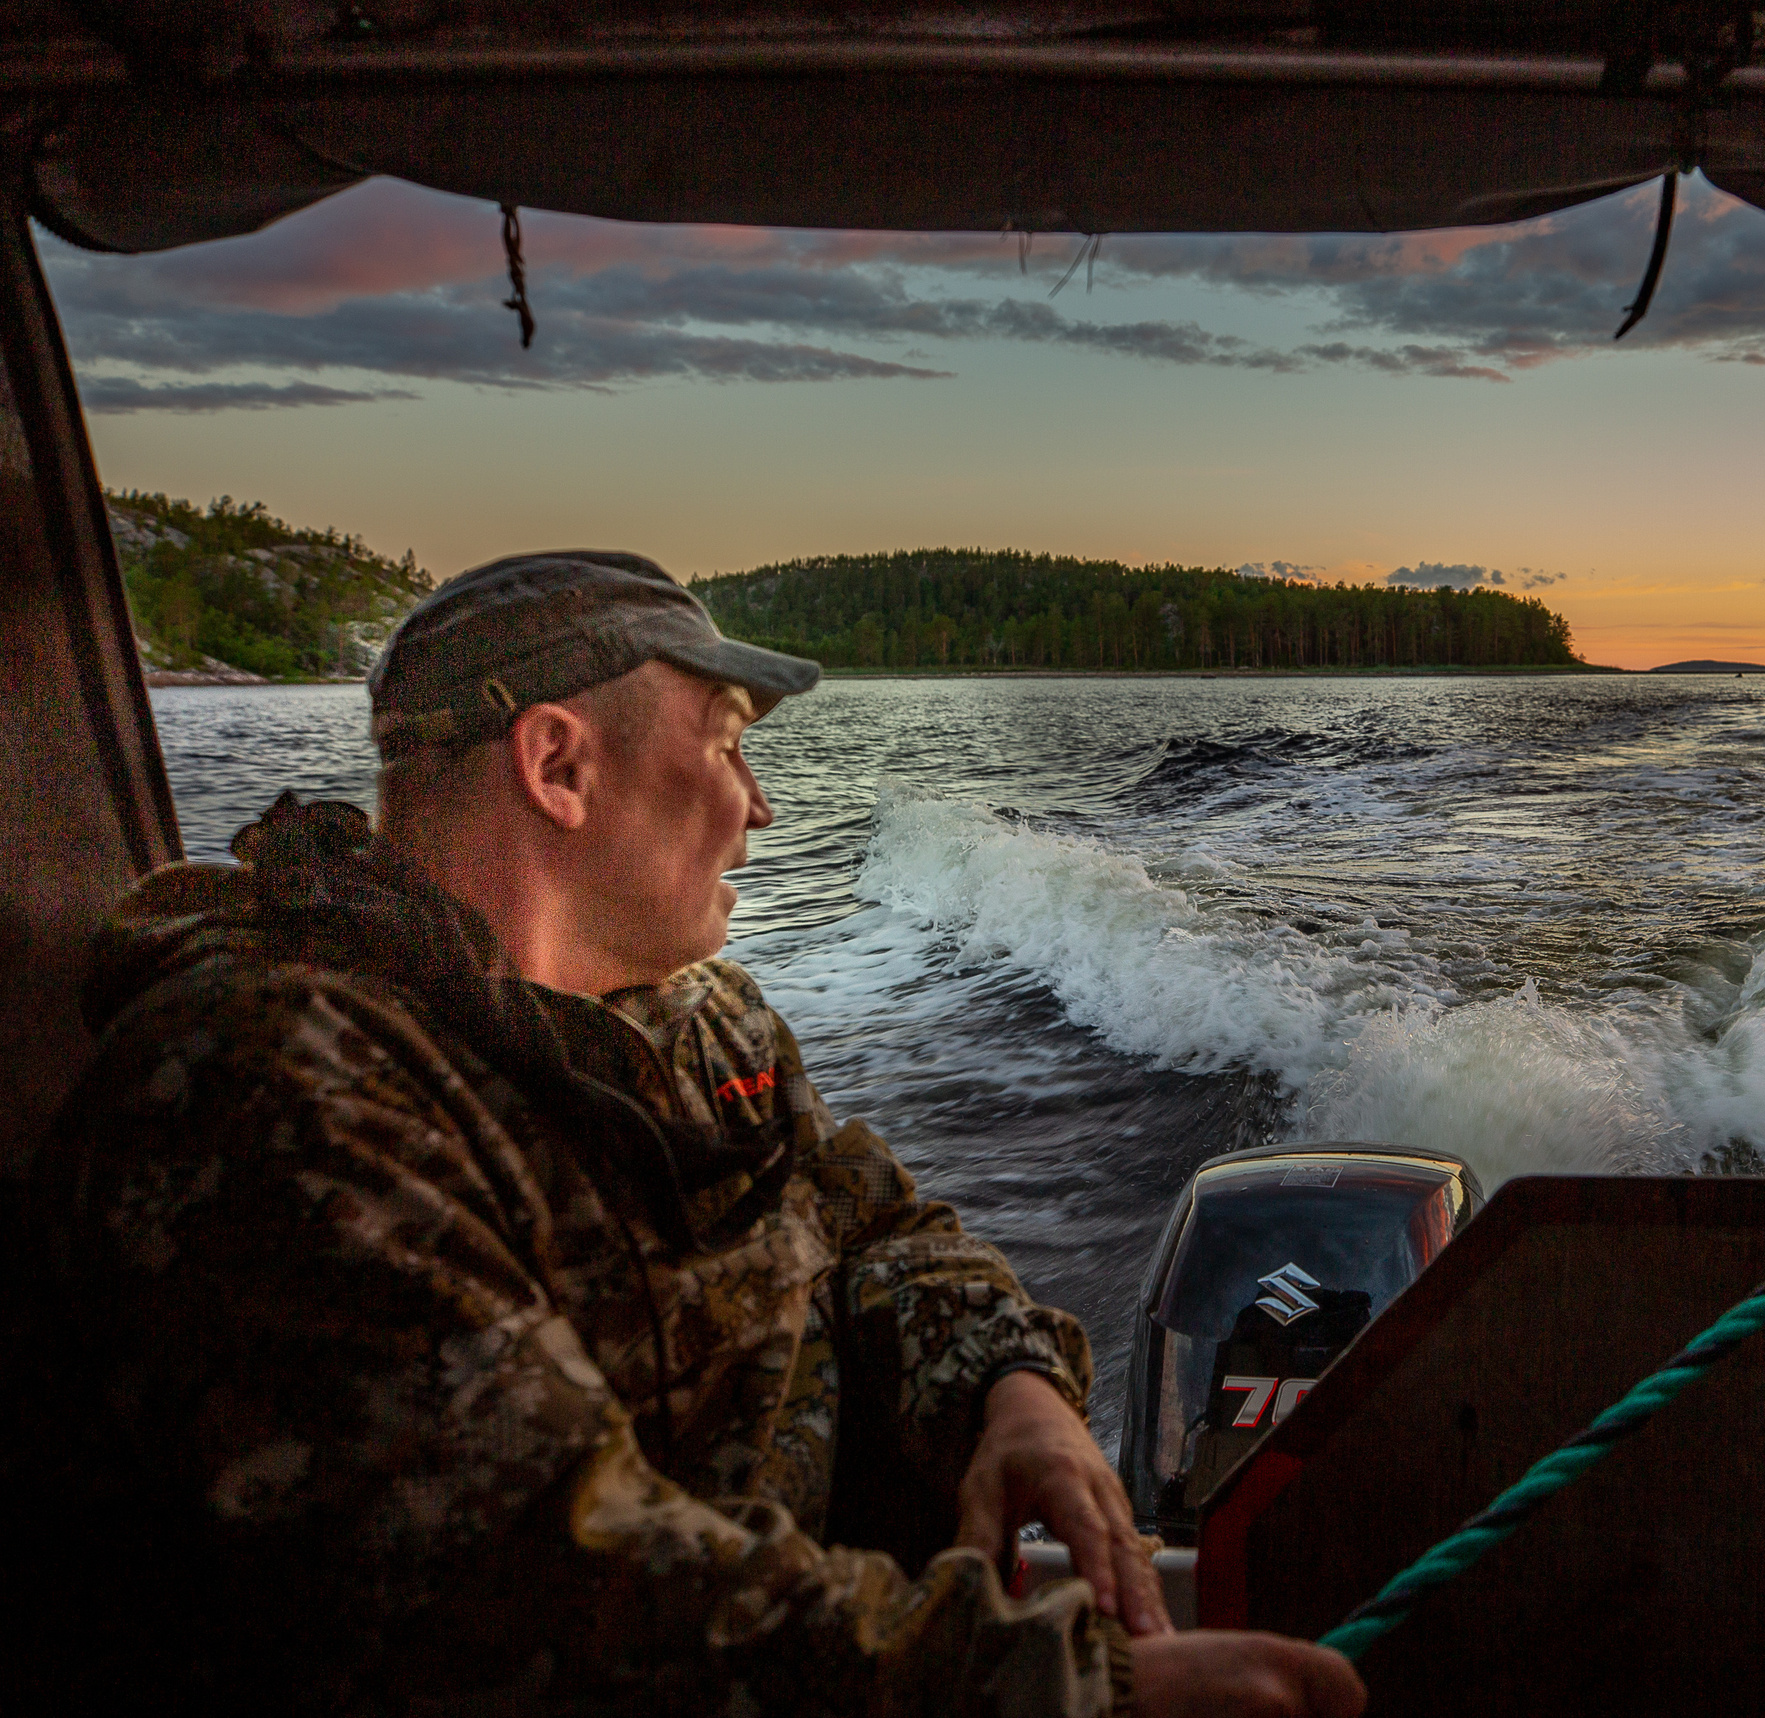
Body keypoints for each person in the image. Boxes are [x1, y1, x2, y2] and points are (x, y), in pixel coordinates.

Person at [13, 552, 1363, 1718]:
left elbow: (874, 1224)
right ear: (558, 764)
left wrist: (1013, 1394)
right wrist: (1061, 1689)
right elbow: (528, 1587)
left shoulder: (695, 1018)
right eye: (724, 741)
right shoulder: (267, 1093)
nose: (760, 804)